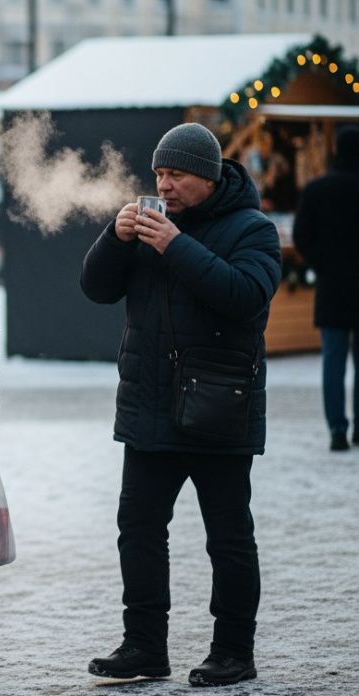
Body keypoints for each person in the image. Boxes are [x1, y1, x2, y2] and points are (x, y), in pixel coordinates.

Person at [81, 123, 280, 687]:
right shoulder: (146, 226)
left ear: (209, 176)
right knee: (138, 530)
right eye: (159, 174)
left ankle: (234, 651)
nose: (164, 186)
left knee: (229, 537)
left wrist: (174, 243)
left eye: (177, 175)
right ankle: (144, 646)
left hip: (219, 407)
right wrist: (114, 239)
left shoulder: (253, 229)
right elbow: (95, 287)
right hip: (149, 407)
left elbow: (243, 297)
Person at [291, 126, 359, 452]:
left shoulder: (318, 189)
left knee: (333, 362)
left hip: (332, 287)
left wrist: (322, 263)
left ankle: (336, 429)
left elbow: (301, 235)